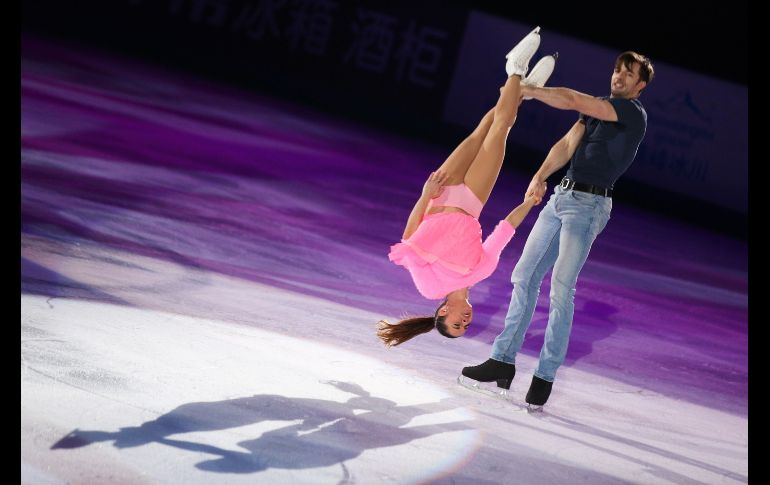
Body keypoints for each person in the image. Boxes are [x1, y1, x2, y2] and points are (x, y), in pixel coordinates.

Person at [460, 51, 655, 409]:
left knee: (561, 290)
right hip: (560, 199)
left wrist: (531, 89)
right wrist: (539, 176)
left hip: (590, 207)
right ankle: (502, 361)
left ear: (640, 86)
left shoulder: (631, 114)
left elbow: (571, 99)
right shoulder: (596, 109)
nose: (619, 77)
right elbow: (567, 144)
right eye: (616, 70)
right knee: (524, 276)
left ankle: (544, 377)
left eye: (628, 75)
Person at [378, 27, 556, 347]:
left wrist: (424, 195)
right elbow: (504, 230)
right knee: (500, 128)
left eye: (456, 324)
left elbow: (409, 240)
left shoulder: (430, 289)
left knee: (481, 131)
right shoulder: (482, 271)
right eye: (466, 326)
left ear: (442, 311)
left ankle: (521, 88)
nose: (465, 321)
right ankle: (518, 77)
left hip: (440, 194)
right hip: (472, 199)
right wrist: (530, 202)